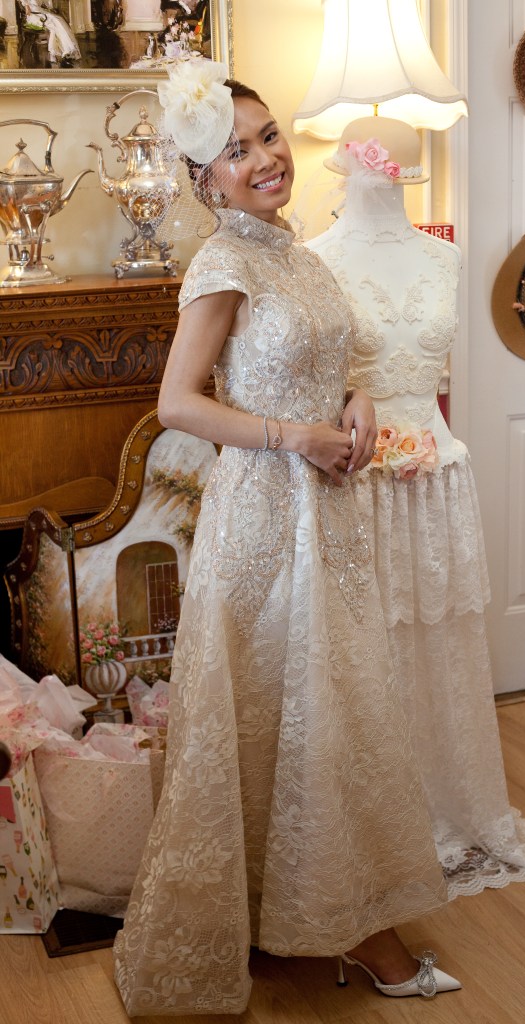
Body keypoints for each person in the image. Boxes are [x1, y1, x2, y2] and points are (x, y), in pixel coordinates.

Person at [113, 61, 463, 1016]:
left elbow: (323, 358)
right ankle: (350, 935)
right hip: (265, 520)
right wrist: (296, 437)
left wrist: (352, 399)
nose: (265, 157)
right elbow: (177, 403)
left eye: (267, 136)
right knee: (292, 712)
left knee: (322, 716)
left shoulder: (295, 253)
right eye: (237, 151)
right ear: (205, 181)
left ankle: (318, 913)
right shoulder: (221, 263)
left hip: (328, 515)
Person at [306, 117, 525, 900]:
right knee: (363, 649)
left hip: (436, 474)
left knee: (436, 641)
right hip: (356, 479)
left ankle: (446, 805)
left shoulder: (446, 255)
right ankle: (370, 825)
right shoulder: (313, 261)